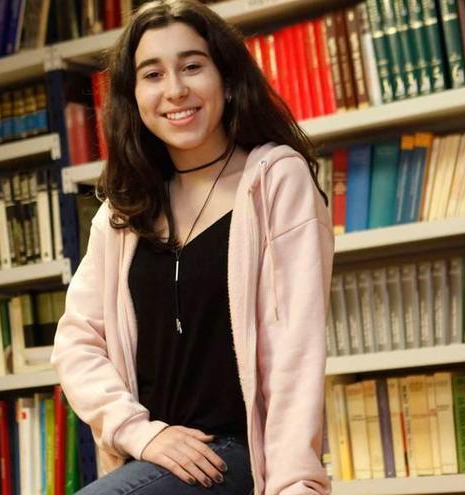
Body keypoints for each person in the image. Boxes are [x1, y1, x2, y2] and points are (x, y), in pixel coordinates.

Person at [50, 1, 334, 494]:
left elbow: (295, 349)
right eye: (152, 74)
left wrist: (295, 484)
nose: (175, 89)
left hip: (242, 458)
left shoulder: (274, 180)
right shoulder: (121, 213)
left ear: (225, 76)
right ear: (133, 96)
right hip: (154, 460)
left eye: (192, 66)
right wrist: (140, 432)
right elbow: (77, 344)